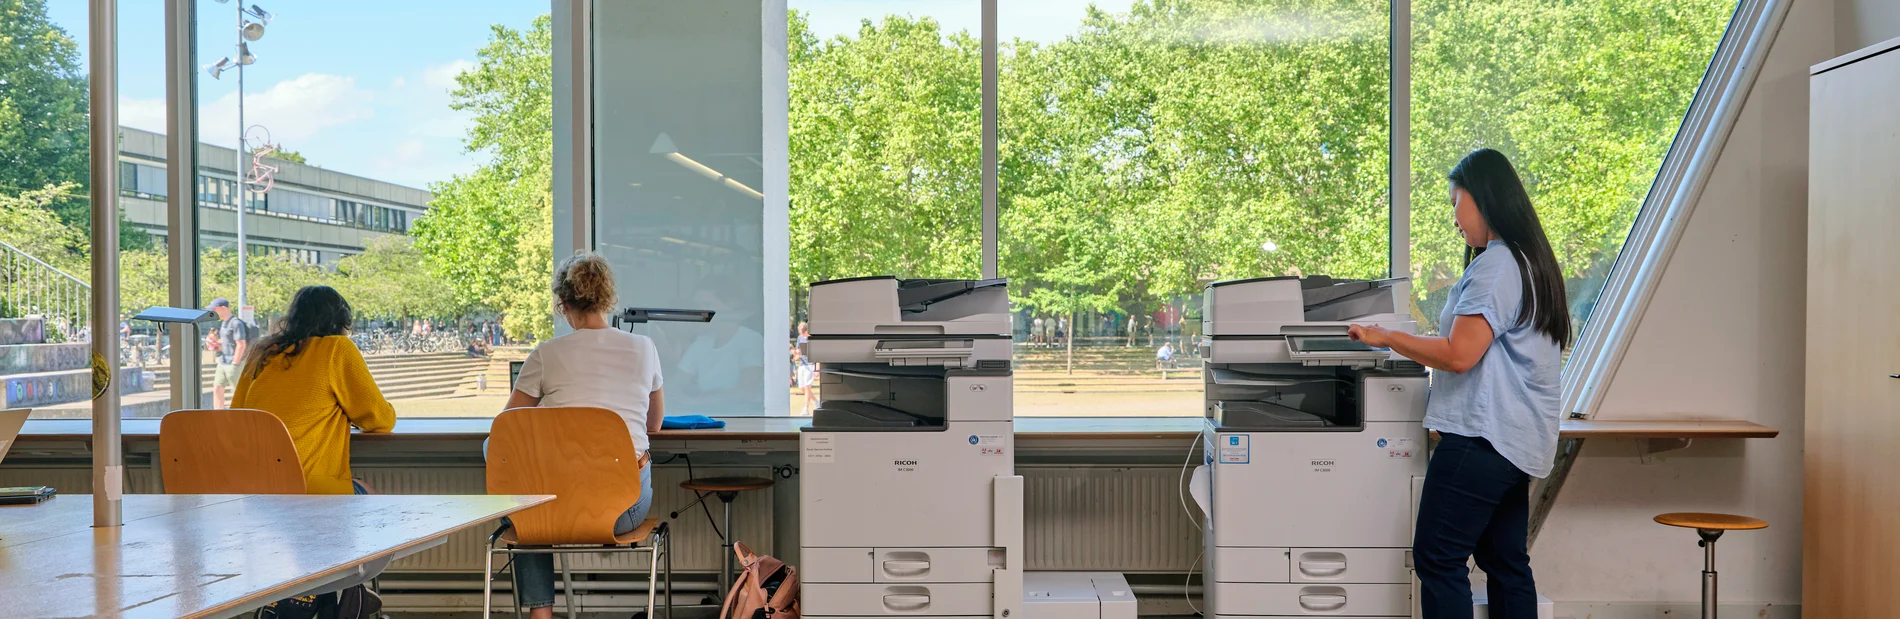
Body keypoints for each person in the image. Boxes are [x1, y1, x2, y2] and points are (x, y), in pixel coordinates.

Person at [1346, 148, 1568, 619]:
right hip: (1514, 440)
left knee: (1438, 556)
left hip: (1482, 438)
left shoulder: (1497, 265)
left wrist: (1388, 338)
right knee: (1504, 561)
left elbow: (1459, 354)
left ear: (1483, 197)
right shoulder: (1528, 262)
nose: (1454, 219)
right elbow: (1469, 345)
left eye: (1455, 202)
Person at [501, 251, 664, 619]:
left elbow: (507, 429)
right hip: (623, 510)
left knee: (527, 500)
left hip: (557, 507)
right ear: (607, 299)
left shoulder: (546, 354)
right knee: (531, 502)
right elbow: (654, 424)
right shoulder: (644, 347)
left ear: (564, 305)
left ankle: (540, 613)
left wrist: (550, 420)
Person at [232, 286, 395, 494]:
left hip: (255, 489)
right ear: (341, 320)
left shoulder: (262, 352)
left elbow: (236, 414)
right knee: (368, 491)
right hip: (310, 490)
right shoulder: (337, 348)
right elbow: (380, 420)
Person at [204, 298, 249, 409]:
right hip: (223, 361)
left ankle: (238, 413)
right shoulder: (224, 323)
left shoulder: (236, 323)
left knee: (236, 390)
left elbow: (241, 344)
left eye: (215, 309)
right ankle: (218, 413)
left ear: (223, 308)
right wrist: (216, 344)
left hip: (234, 362)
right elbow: (227, 342)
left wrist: (235, 363)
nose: (213, 312)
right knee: (217, 388)